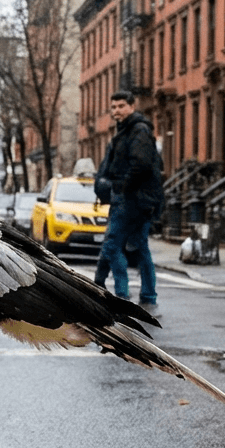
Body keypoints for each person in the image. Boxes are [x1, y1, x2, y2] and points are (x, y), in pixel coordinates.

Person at [93, 91, 163, 308]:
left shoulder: (138, 131)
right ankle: (147, 296)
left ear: (132, 106)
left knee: (114, 245)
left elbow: (141, 164)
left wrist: (122, 187)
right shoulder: (126, 131)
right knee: (140, 247)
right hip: (136, 199)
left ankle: (122, 296)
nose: (116, 111)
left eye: (121, 106)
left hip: (133, 200)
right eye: (113, 107)